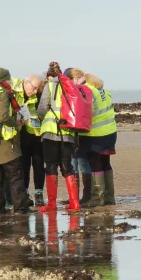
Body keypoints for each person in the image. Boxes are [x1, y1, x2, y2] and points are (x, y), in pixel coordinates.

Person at [0, 67, 31, 215]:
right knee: (15, 174)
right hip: (4, 138)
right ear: (5, 79)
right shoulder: (2, 92)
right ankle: (20, 207)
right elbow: (3, 116)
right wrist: (16, 123)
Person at [65, 69, 117, 206]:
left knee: (96, 164)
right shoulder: (104, 91)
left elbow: (82, 112)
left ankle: (97, 199)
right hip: (110, 132)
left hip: (95, 134)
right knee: (106, 164)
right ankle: (109, 198)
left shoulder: (85, 90)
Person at [37, 62, 80, 212]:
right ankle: (75, 203)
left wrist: (41, 118)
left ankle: (51, 204)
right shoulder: (71, 86)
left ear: (49, 75)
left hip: (51, 132)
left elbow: (42, 108)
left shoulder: (49, 86)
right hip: (68, 132)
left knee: (51, 166)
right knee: (67, 166)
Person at [11, 75, 46, 207]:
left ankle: (39, 194)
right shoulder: (16, 92)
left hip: (37, 135)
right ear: (27, 83)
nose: (35, 91)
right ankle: (24, 193)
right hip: (21, 134)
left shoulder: (39, 95)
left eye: (38, 88)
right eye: (34, 88)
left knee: (39, 165)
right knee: (23, 165)